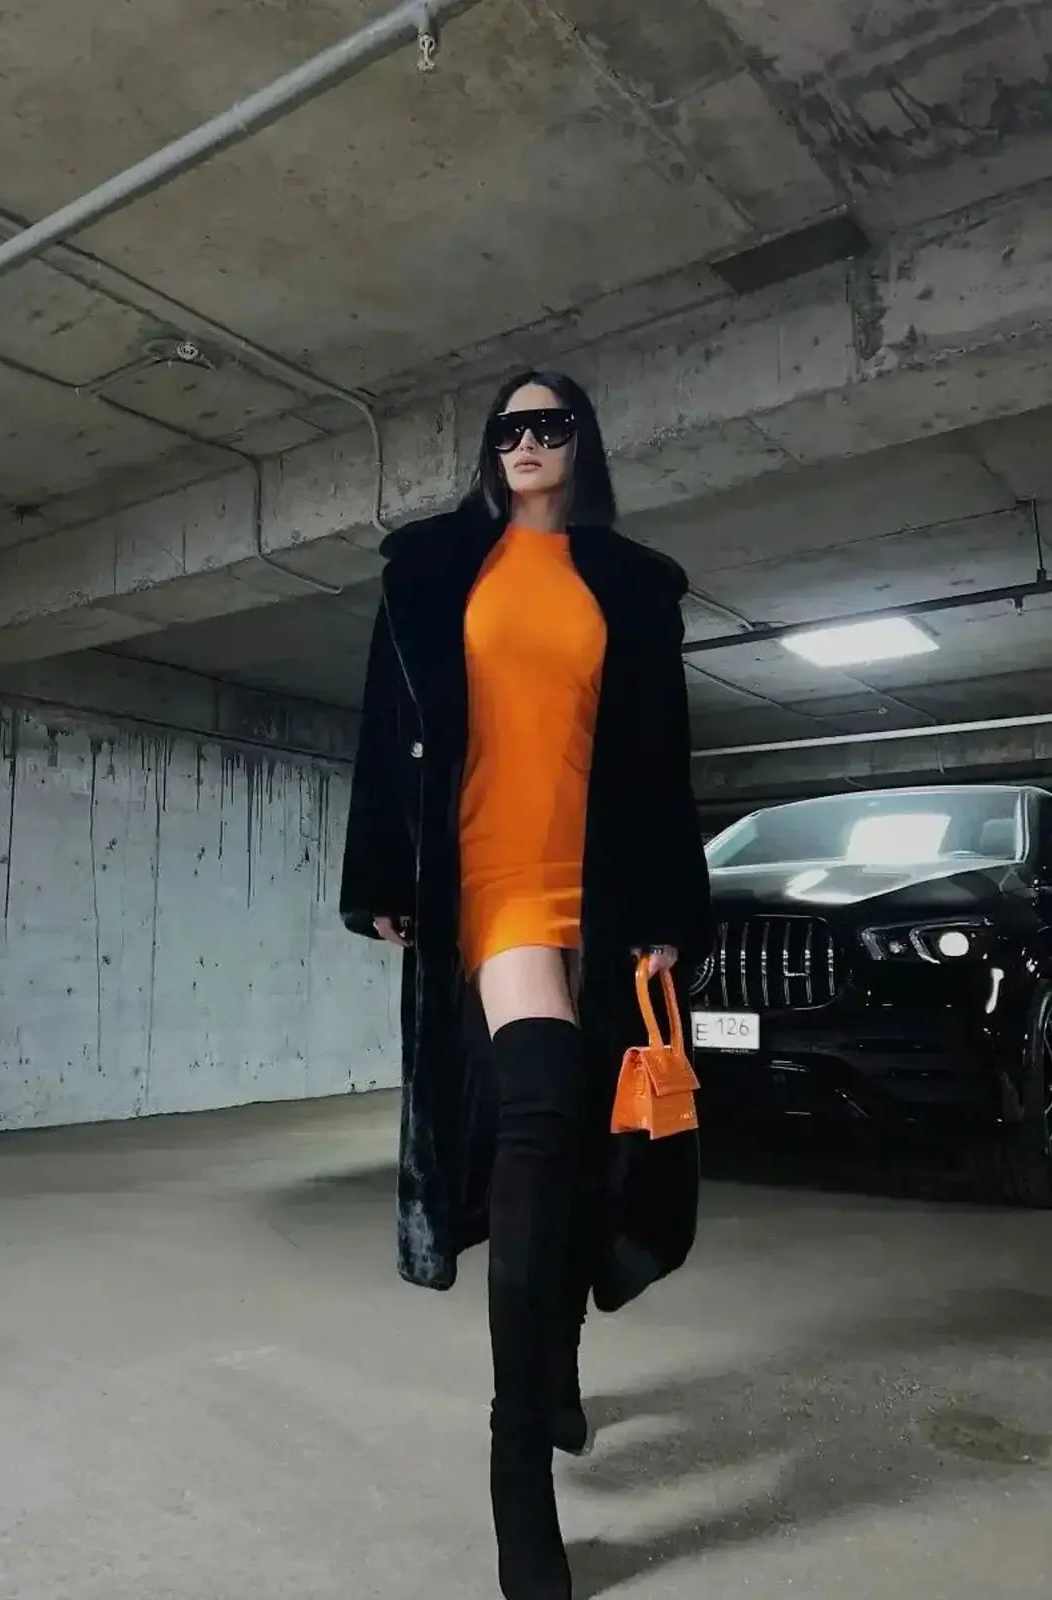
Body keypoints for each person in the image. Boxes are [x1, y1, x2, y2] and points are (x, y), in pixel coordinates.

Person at [340, 370, 712, 1599]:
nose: (529, 445)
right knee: (544, 1117)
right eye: (511, 428)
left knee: (588, 1157)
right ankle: (518, 1470)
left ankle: (555, 1361)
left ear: (583, 445)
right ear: (488, 449)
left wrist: (667, 908)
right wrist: (383, 868)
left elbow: (663, 757)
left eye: (551, 427)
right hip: (491, 884)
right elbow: (383, 723)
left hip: (597, 894)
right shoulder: (437, 570)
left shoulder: (630, 584)